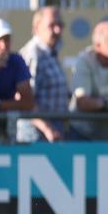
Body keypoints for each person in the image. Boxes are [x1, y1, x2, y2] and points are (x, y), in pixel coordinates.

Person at [17, 7, 69, 143]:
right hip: (36, 133)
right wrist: (47, 128)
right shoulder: (33, 54)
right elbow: (24, 100)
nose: (57, 30)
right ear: (37, 28)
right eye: (52, 25)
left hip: (53, 129)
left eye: (60, 25)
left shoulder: (50, 52)